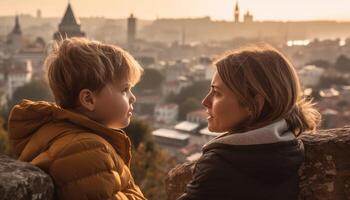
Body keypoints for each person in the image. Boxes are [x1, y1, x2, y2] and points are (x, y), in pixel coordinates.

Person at [7, 37, 146, 200]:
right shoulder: (88, 151)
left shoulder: (62, 134)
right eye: (125, 89)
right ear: (88, 99)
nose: (132, 98)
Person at [178, 43, 321, 200]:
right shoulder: (290, 149)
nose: (205, 101)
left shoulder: (220, 167)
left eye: (217, 93)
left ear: (254, 105)